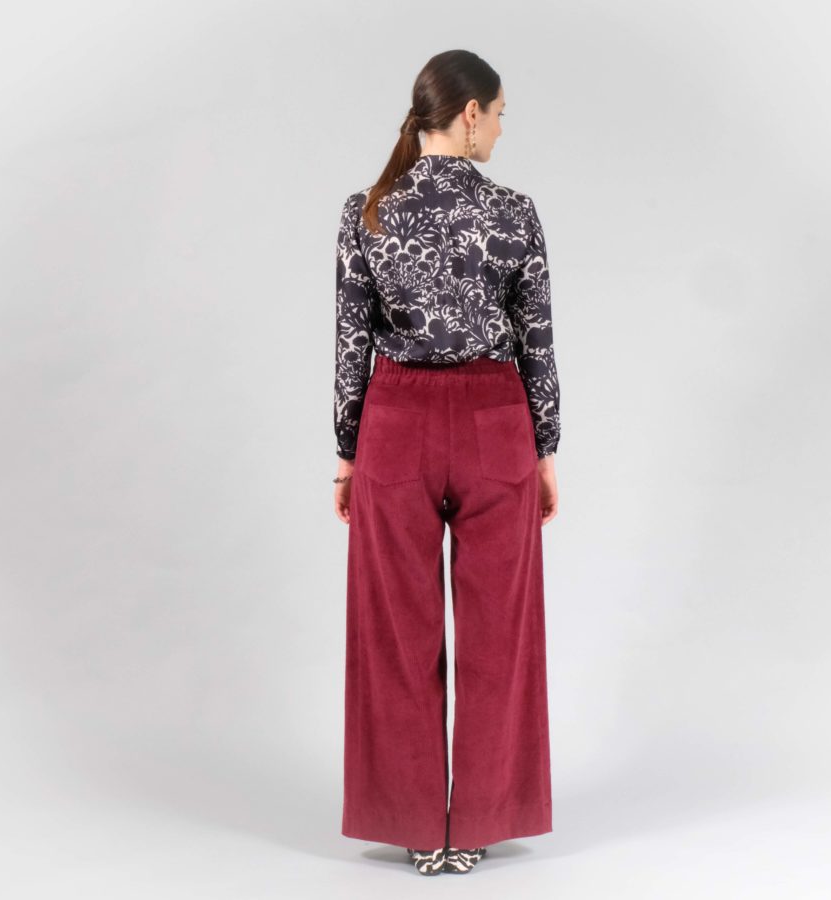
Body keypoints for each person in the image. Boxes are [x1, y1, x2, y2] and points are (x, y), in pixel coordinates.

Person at [333, 49, 560, 876]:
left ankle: (418, 829)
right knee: (502, 632)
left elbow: (351, 346)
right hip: (497, 422)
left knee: (397, 632)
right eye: (497, 113)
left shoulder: (367, 211)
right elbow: (537, 341)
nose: (499, 129)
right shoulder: (514, 212)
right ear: (468, 114)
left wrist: (347, 455)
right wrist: (544, 449)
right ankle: (478, 826)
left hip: (394, 423)